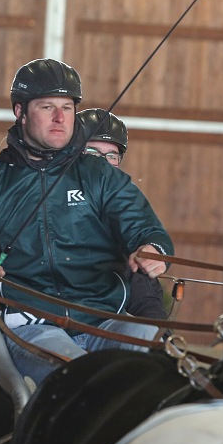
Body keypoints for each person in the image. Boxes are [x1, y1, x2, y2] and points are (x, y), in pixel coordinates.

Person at [0, 59, 173, 387]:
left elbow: (144, 226)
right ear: (20, 112)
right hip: (30, 326)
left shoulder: (100, 176)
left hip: (106, 320)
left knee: (161, 355)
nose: (60, 118)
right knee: (82, 379)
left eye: (67, 108)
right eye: (47, 107)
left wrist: (151, 247)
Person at [78, 107, 168, 320]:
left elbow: (145, 295)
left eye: (111, 155)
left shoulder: (122, 205)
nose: (102, 163)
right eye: (92, 152)